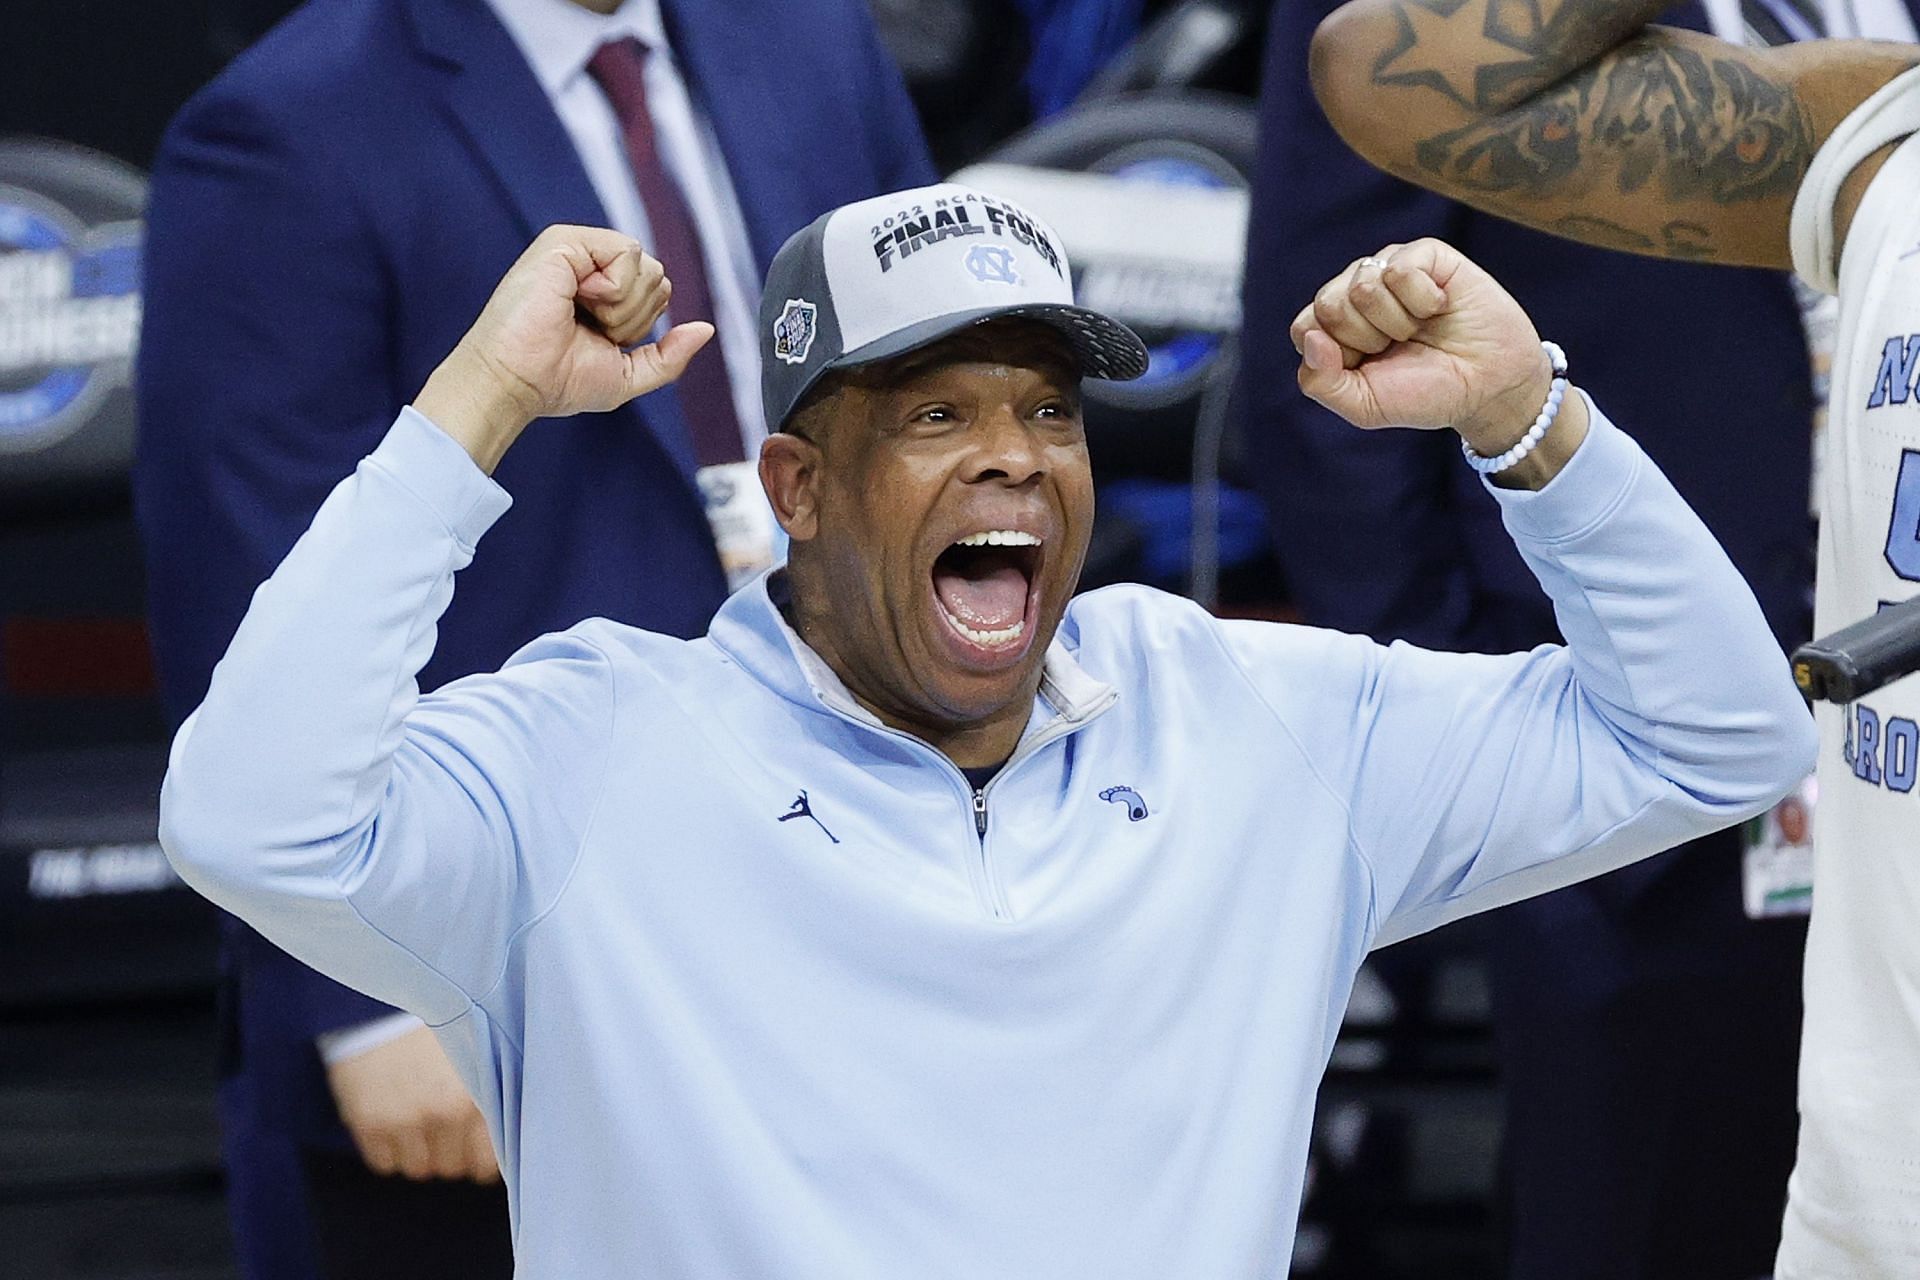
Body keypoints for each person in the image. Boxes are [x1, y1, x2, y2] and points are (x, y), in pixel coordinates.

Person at [155, 182, 1813, 1275]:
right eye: (938, 413)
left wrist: (1530, 417)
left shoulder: (1252, 718)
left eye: (1045, 410)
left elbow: (1715, 742)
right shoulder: (590, 754)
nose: (1014, 455)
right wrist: (480, 403)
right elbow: (253, 822)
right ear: (799, 490)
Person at [132, 0, 933, 1276]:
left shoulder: (810, 38)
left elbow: (942, 394)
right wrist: (357, 1000)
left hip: (857, 899)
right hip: (495, 940)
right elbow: (247, 558)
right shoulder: (285, 123)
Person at [1238, 2, 1913, 1272]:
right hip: (1644, 742)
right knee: (1649, 1212)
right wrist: (1472, 711)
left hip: (1886, 765)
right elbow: (1381, 109)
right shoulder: (1876, 123)